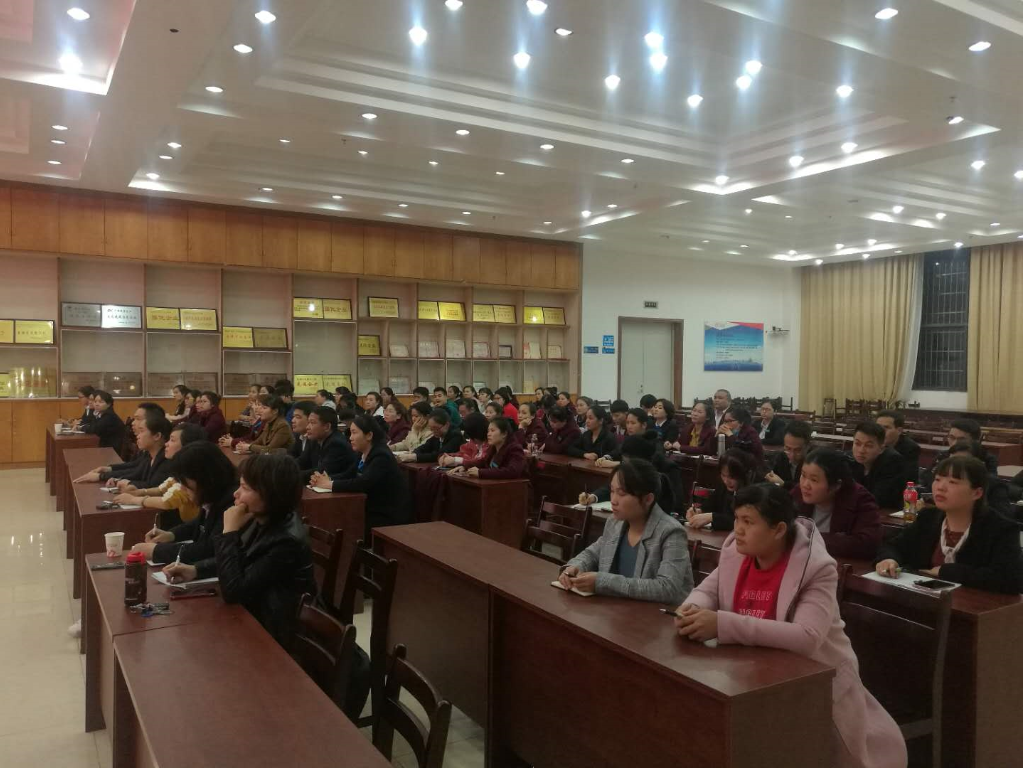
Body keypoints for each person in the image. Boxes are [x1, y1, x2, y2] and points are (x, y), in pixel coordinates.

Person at [674, 483, 906, 768]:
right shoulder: (738, 552)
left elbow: (807, 637)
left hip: (816, 687)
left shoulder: (816, 567)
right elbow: (707, 590)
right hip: (753, 677)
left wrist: (722, 624)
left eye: (748, 522)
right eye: (736, 519)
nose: (738, 530)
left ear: (779, 529)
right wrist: (692, 609)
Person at [165, 452, 317, 646]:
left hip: (276, 633)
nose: (236, 494)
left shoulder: (286, 541)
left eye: (245, 488)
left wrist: (229, 532)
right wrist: (196, 570)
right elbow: (244, 559)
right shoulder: (264, 518)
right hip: (256, 616)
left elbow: (234, 591)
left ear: (270, 493)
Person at [875, 455, 1021, 593]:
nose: (941, 487)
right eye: (938, 479)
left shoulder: (1001, 529)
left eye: (953, 482)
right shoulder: (928, 518)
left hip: (974, 605)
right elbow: (893, 546)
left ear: (977, 493)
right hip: (924, 598)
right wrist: (889, 559)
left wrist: (946, 571)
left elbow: (1010, 579)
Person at [560, 458, 691, 604]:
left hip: (653, 615)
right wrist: (575, 566)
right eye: (612, 491)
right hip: (616, 611)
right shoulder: (615, 522)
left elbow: (667, 588)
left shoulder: (671, 532)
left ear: (648, 499)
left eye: (621, 493)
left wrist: (603, 582)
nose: (613, 500)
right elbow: (593, 553)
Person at [134, 440, 238, 566]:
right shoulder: (213, 495)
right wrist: (171, 534)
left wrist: (157, 551)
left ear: (203, 476)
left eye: (184, 482)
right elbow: (199, 524)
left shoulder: (232, 502)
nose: (182, 488)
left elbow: (209, 549)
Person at [311, 415, 411, 541]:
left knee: (345, 522)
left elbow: (362, 483)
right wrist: (327, 479)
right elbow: (349, 474)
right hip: (368, 507)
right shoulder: (362, 452)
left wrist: (329, 484)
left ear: (369, 435)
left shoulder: (381, 455)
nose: (350, 438)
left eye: (354, 433)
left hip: (387, 514)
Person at [792, 449, 882, 559]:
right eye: (803, 475)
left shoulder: (860, 500)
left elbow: (867, 543)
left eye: (814, 480)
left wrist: (809, 538)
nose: (805, 485)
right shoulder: (798, 493)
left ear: (836, 485)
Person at [114, 422, 208, 528]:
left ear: (187, 446)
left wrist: (133, 500)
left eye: (172, 440)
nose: (166, 444)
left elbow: (166, 502)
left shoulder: (191, 472)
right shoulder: (180, 468)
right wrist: (138, 492)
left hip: (198, 528)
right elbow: (161, 489)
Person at [582, 435, 678, 512]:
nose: (624, 464)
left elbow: (673, 504)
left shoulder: (667, 469)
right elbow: (614, 487)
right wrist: (593, 497)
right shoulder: (631, 468)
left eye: (625, 461)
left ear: (638, 460)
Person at [685, 448, 758, 531]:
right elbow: (710, 505)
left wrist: (712, 517)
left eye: (731, 477)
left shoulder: (752, 492)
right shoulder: (723, 486)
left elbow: (740, 520)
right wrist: (698, 511)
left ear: (743, 475)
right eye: (723, 475)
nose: (726, 481)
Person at [849, 422, 906, 509]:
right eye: (857, 444)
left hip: (887, 512)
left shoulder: (893, 461)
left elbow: (878, 499)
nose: (861, 450)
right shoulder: (850, 459)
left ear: (881, 449)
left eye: (868, 446)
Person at [448, 416, 526, 479]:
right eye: (488, 431)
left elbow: (512, 471)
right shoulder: (493, 448)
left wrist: (481, 473)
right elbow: (483, 462)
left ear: (504, 434)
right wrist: (465, 467)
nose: (488, 434)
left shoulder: (515, 449)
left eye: (492, 430)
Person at [298, 406, 357, 483]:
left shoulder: (337, 444)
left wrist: (290, 475)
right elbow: (301, 461)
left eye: (312, 423)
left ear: (327, 427)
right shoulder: (315, 440)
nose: (307, 427)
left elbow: (321, 472)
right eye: (308, 422)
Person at [397, 408, 464, 463]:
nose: (433, 432)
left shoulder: (456, 436)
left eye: (435, 428)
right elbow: (424, 447)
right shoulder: (437, 435)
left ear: (446, 424)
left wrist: (415, 457)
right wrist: (413, 453)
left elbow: (439, 455)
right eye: (431, 429)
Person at [765, 420, 811, 491]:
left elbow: (808, 489)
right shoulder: (780, 457)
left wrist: (784, 484)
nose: (792, 455)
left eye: (798, 450)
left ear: (808, 446)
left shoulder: (814, 463)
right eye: (788, 448)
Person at [875, 410, 920, 483]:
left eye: (886, 427)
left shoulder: (910, 448)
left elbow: (909, 479)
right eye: (878, 427)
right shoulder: (872, 443)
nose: (880, 431)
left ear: (899, 431)